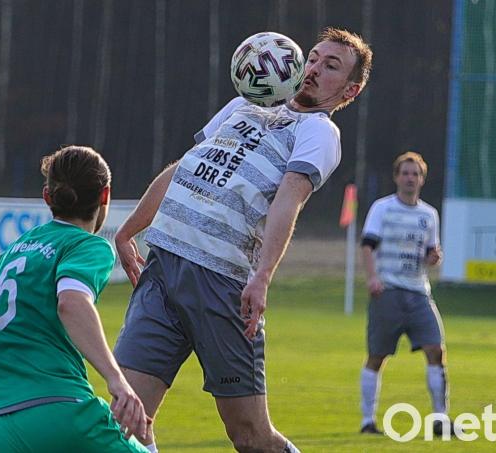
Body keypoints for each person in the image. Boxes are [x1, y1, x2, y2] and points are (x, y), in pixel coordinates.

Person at [112, 27, 373, 452]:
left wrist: (263, 276)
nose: (313, 69)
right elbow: (186, 166)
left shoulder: (319, 132)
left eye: (331, 66)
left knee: (250, 437)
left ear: (349, 90)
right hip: (162, 270)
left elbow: (288, 199)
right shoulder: (242, 105)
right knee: (125, 415)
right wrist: (127, 230)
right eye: (312, 57)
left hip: (222, 284)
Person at [0, 145, 149, 452]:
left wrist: (8, 363)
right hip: (62, 410)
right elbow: (71, 302)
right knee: (146, 440)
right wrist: (116, 379)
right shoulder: (88, 246)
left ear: (47, 197)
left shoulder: (15, 250)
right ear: (105, 196)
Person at [358, 151, 450, 435]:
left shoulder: (429, 214)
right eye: (406, 173)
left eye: (416, 174)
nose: (410, 178)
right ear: (397, 177)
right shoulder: (382, 209)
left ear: (422, 179)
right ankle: (367, 421)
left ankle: (440, 420)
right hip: (388, 291)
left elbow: (429, 254)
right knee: (377, 356)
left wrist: (434, 258)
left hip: (419, 292)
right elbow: (367, 245)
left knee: (436, 350)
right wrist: (372, 278)